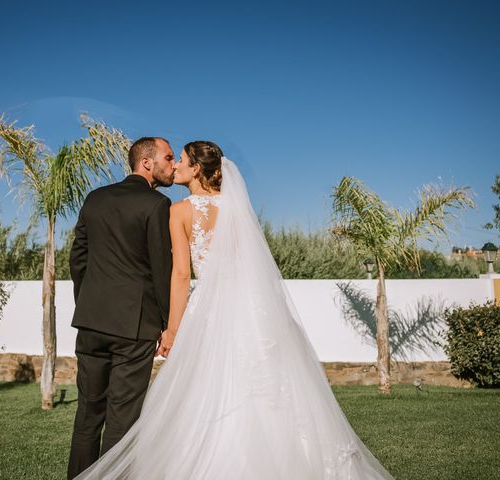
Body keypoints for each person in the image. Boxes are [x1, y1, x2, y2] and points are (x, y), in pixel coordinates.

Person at [74, 141, 393, 479]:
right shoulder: (235, 209)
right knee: (267, 393)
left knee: (103, 413)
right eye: (172, 159)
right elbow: (236, 266)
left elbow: (177, 273)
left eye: (179, 160)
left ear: (196, 169)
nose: (176, 166)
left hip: (164, 316)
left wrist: (169, 328)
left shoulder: (174, 210)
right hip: (248, 310)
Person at [67, 137, 175, 479]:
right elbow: (162, 269)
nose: (172, 164)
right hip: (134, 327)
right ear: (146, 162)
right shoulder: (157, 204)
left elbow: (77, 260)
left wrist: (89, 304)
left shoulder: (95, 199)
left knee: (87, 417)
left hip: (91, 323)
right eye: (168, 157)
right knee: (121, 422)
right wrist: (166, 322)